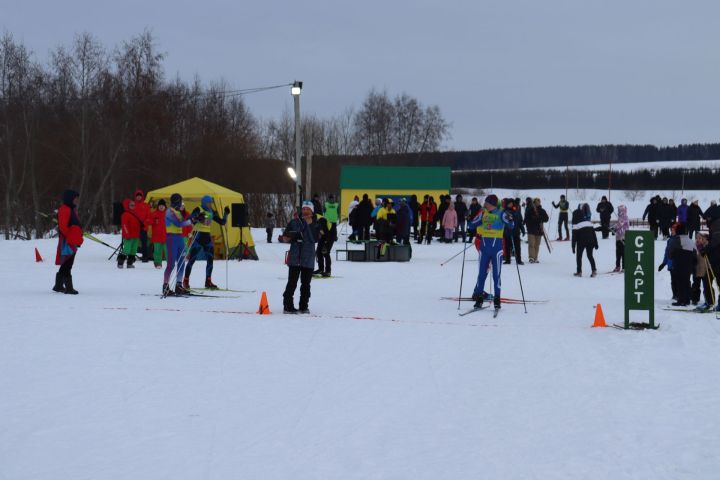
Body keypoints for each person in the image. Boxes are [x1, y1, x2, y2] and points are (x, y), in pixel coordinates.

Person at [467, 194, 514, 311]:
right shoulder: (483, 213)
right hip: (484, 249)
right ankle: (479, 299)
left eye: (487, 202)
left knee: (496, 275)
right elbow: (471, 225)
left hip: (496, 249)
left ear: (492, 203)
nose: (485, 204)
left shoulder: (502, 213)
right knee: (481, 274)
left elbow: (512, 226)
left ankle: (497, 299)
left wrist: (510, 218)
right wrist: (468, 218)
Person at [282, 201, 321, 314]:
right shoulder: (294, 222)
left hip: (308, 258)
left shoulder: (316, 223)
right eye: (303, 209)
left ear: (312, 211)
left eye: (307, 209)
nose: (305, 211)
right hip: (295, 258)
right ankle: (288, 306)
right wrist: (289, 237)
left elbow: (315, 239)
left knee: (305, 284)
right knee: (292, 282)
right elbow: (284, 237)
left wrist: (310, 225)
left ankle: (303, 306)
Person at [183, 195, 229, 290]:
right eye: (209, 202)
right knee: (192, 259)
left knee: (210, 259)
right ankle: (186, 281)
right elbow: (191, 219)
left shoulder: (212, 211)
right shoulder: (198, 209)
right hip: (197, 236)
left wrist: (226, 214)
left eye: (211, 203)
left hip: (207, 237)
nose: (210, 204)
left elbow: (222, 222)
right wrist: (197, 217)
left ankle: (208, 281)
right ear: (204, 202)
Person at [163, 193, 195, 296]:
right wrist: (191, 221)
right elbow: (179, 223)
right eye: (180, 201)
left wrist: (195, 218)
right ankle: (165, 286)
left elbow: (183, 220)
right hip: (171, 238)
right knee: (171, 264)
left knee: (182, 262)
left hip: (180, 238)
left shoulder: (177, 212)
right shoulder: (169, 212)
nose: (181, 203)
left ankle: (178, 285)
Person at [53, 190, 83, 294]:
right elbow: (63, 227)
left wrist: (77, 235)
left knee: (67, 262)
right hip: (67, 241)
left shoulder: (71, 209)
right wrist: (71, 237)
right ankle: (68, 287)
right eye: (75, 198)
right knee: (68, 262)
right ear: (70, 198)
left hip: (72, 239)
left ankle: (58, 285)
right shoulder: (65, 209)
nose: (77, 200)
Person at [666, 223, 696, 306]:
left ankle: (681, 300)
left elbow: (670, 252)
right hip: (689, 265)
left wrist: (671, 257)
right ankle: (687, 300)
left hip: (679, 264)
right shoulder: (690, 240)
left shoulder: (677, 240)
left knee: (679, 282)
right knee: (686, 281)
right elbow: (695, 253)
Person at [570, 204, 598, 277]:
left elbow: (574, 237)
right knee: (590, 256)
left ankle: (579, 272)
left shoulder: (575, 225)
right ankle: (594, 270)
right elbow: (594, 234)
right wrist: (596, 244)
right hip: (590, 242)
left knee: (579, 257)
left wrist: (573, 247)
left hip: (581, 242)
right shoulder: (589, 223)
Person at [691, 234, 714, 311]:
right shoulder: (694, 246)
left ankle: (709, 300)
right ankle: (695, 299)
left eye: (700, 238)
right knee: (695, 285)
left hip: (706, 269)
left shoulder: (707, 246)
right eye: (697, 238)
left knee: (707, 286)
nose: (698, 240)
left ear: (704, 239)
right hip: (697, 268)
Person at [118, 198, 143, 269]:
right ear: (127, 206)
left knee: (133, 250)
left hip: (136, 235)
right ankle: (120, 263)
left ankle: (130, 263)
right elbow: (124, 225)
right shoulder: (125, 214)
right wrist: (127, 234)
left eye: (134, 205)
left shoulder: (136, 213)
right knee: (127, 249)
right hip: (128, 236)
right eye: (131, 205)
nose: (133, 206)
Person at [524, 198, 549, 263]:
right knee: (531, 244)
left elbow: (546, 219)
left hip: (539, 229)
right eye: (535, 202)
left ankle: (535, 257)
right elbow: (527, 219)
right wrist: (533, 220)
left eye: (538, 202)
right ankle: (531, 257)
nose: (537, 203)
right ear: (533, 203)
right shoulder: (530, 210)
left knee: (537, 245)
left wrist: (540, 218)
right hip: (531, 229)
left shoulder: (542, 211)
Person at [147, 199, 168, 269]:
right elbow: (149, 222)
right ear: (158, 206)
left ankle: (170, 263)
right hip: (157, 236)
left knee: (168, 251)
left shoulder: (168, 214)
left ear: (165, 207)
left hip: (167, 236)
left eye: (163, 206)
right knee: (157, 251)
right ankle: (158, 263)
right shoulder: (154, 214)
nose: (161, 207)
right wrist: (150, 220)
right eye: (160, 206)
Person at [502, 198, 524, 264]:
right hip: (507, 232)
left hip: (516, 232)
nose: (510, 204)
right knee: (507, 247)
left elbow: (519, 221)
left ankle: (519, 260)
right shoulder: (505, 212)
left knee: (517, 247)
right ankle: (507, 260)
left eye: (511, 203)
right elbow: (503, 222)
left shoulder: (516, 211)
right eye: (509, 203)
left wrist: (522, 229)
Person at [314, 211, 334, 277]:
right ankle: (321, 269)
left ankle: (328, 271)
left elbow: (323, 230)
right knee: (319, 252)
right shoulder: (315, 220)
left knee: (325, 252)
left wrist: (326, 242)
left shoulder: (321, 219)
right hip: (323, 236)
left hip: (330, 236)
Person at [133, 189, 151, 262]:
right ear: (135, 197)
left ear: (142, 196)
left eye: (140, 196)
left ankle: (145, 257)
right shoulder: (132, 204)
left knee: (144, 243)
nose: (138, 197)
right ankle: (132, 256)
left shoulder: (146, 205)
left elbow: (149, 216)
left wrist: (145, 224)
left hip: (143, 227)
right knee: (134, 242)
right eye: (137, 196)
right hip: (134, 227)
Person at [613, 204, 629, 272]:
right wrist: (614, 229)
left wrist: (614, 227)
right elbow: (618, 224)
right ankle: (617, 266)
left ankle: (624, 267)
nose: (618, 211)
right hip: (618, 237)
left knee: (623, 253)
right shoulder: (620, 217)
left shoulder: (625, 217)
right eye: (618, 210)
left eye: (619, 210)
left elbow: (619, 224)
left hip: (623, 237)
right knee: (618, 253)